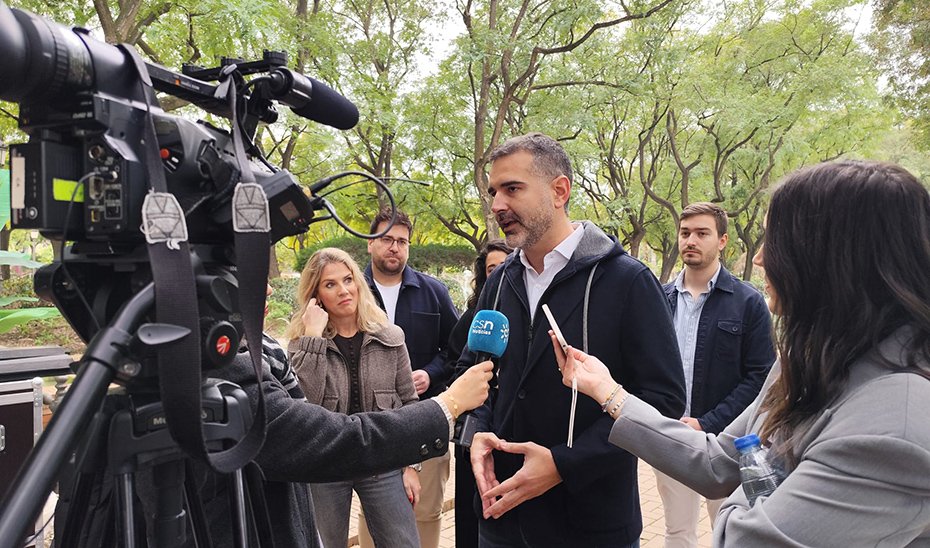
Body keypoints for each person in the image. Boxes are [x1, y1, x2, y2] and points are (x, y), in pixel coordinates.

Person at [543, 160, 930, 546]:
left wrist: (755, 471)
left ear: (831, 257)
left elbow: (741, 538)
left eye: (774, 240)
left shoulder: (896, 426)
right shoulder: (806, 361)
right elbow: (718, 461)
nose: (760, 258)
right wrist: (608, 392)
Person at [462, 132, 687, 547]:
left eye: (512, 189)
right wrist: (474, 430)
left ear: (559, 190)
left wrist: (565, 464)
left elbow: (663, 399)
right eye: (493, 191)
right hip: (501, 520)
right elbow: (474, 374)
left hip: (590, 525)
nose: (496, 205)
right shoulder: (499, 284)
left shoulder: (627, 281)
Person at [285, 247, 422, 547]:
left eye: (348, 279)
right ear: (316, 295)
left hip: (382, 459)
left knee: (404, 543)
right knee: (323, 543)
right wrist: (313, 337)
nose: (343, 290)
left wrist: (412, 466)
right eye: (330, 284)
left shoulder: (391, 336)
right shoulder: (302, 345)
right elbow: (302, 405)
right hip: (325, 464)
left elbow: (409, 404)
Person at [657, 202, 775, 547]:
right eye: (685, 233)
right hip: (669, 436)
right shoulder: (659, 299)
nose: (691, 240)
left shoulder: (748, 302)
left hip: (725, 443)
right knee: (677, 531)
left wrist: (706, 422)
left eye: (702, 233)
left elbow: (759, 378)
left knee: (730, 529)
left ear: (722, 241)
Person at [362, 208, 460, 548]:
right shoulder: (351, 291)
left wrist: (430, 373)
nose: (394, 247)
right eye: (387, 239)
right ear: (370, 244)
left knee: (426, 512)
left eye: (402, 241)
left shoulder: (434, 292)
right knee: (373, 513)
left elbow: (456, 350)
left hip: (425, 420)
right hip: (368, 424)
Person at [447, 239, 513, 548]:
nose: (499, 273)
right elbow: (454, 361)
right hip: (473, 438)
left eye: (505, 266)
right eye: (492, 269)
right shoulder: (476, 319)